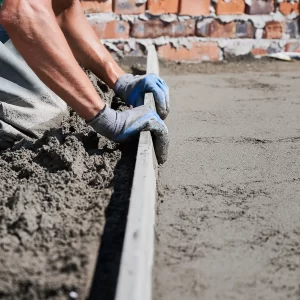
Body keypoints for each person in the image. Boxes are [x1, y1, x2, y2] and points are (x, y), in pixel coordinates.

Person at [0, 0, 169, 163]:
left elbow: (63, 8)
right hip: (17, 13)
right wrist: (106, 119)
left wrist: (120, 80)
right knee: (39, 114)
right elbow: (21, 12)